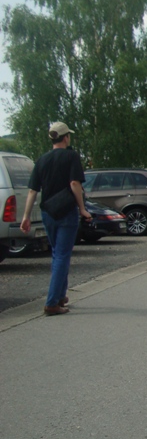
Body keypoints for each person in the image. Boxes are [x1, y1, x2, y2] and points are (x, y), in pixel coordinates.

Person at [20, 122, 92, 316]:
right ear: (66, 137)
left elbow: (33, 191)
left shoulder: (41, 160)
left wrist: (26, 216)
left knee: (57, 254)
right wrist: (82, 208)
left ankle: (60, 295)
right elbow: (75, 183)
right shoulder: (71, 156)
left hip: (48, 212)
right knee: (62, 255)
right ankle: (52, 302)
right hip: (66, 212)